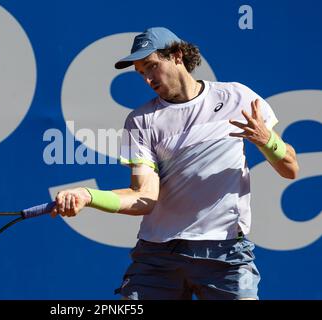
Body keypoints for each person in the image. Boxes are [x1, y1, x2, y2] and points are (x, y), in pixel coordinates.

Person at [51, 27, 299, 300]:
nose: (147, 78)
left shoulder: (236, 97)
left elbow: (290, 168)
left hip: (224, 253)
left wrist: (266, 140)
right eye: (141, 72)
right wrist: (88, 196)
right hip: (158, 256)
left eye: (152, 66)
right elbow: (143, 197)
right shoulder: (141, 120)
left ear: (177, 56)